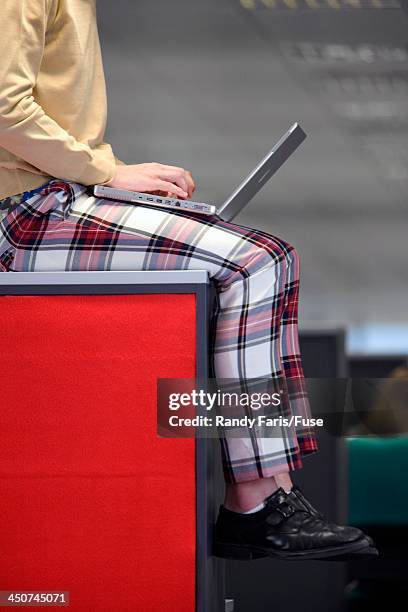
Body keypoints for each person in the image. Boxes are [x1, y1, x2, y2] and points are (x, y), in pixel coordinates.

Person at [0, 0, 376, 561]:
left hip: (56, 197)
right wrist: (108, 173)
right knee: (257, 262)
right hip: (25, 215)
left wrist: (112, 176)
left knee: (263, 257)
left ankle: (271, 491)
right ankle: (255, 503)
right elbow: (5, 107)